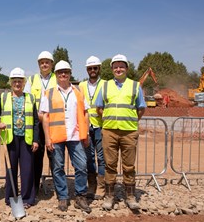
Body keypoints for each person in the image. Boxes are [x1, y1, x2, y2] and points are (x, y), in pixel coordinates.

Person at [95, 54, 146, 211]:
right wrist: (111, 119)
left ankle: (130, 196)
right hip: (109, 131)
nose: (118, 69)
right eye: (115, 66)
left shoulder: (135, 86)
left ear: (127, 68)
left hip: (129, 132)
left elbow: (141, 108)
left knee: (129, 166)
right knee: (110, 165)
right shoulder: (104, 86)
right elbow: (99, 108)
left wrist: (130, 121)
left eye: (121, 66)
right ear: (111, 69)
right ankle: (110, 196)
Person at [41, 60, 91, 213]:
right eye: (60, 72)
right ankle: (63, 196)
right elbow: (45, 117)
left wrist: (86, 133)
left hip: (75, 136)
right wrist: (47, 138)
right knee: (58, 168)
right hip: (56, 137)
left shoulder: (78, 92)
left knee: (82, 166)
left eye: (66, 72)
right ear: (56, 74)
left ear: (70, 74)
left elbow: (86, 113)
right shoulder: (48, 93)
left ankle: (80, 196)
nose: (63, 74)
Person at [0, 67, 40, 208]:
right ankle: (10, 198)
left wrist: (36, 139)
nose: (17, 84)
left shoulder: (30, 98)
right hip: (10, 139)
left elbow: (36, 121)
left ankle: (27, 199)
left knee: (27, 170)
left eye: (20, 81)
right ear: (10, 82)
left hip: (27, 139)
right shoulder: (4, 98)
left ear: (24, 82)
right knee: (10, 169)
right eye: (15, 81)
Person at [24, 50, 57, 194]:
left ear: (51, 64)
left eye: (47, 62)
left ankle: (58, 187)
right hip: (36, 123)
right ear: (39, 64)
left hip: (53, 123)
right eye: (42, 62)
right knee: (36, 156)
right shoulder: (31, 80)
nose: (45, 64)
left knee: (55, 156)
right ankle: (34, 186)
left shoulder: (58, 79)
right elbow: (26, 100)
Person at [78, 56, 106, 200]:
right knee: (89, 158)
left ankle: (101, 187)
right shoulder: (82, 85)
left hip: (101, 126)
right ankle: (92, 185)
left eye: (95, 68)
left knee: (101, 158)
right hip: (86, 127)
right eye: (90, 68)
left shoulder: (106, 84)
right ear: (87, 70)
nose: (92, 70)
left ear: (99, 69)